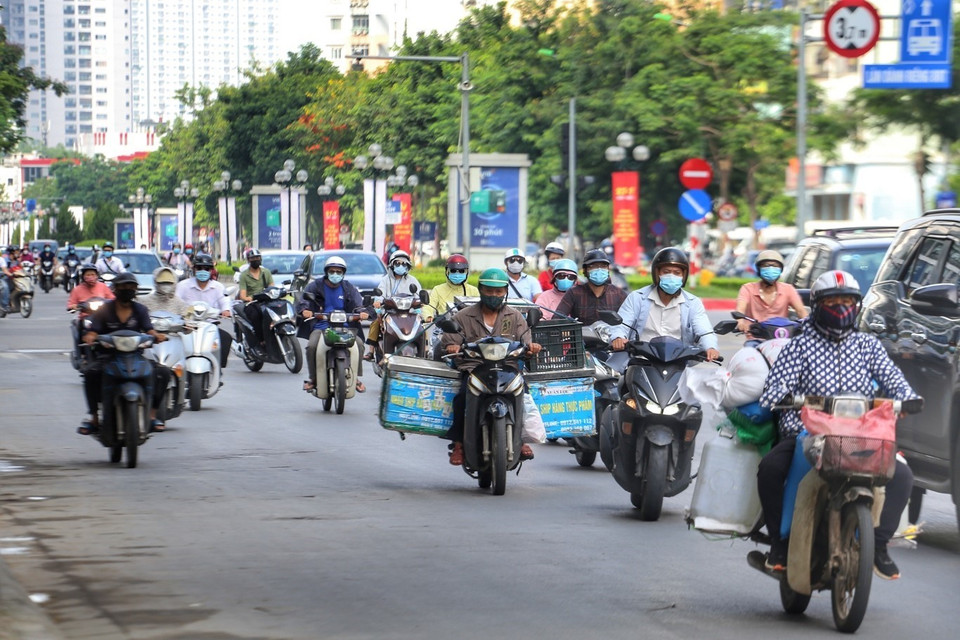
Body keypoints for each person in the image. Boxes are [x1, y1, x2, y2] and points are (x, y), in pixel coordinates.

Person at [757, 270, 918, 579]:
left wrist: (908, 399)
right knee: (770, 469)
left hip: (861, 436)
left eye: (847, 301)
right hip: (807, 434)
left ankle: (879, 545)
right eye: (833, 301)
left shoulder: (868, 346)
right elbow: (773, 392)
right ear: (817, 305)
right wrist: (793, 399)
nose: (841, 307)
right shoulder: (799, 347)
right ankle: (778, 544)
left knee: (903, 476)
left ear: (856, 306)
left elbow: (896, 382)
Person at [440, 268, 542, 465]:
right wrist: (452, 345)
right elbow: (448, 341)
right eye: (489, 290)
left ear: (505, 292)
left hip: (508, 369)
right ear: (480, 290)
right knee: (462, 397)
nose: (494, 295)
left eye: (498, 291)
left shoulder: (515, 317)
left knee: (524, 395)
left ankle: (520, 440)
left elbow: (526, 341)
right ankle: (459, 444)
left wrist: (531, 348)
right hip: (474, 369)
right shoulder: (463, 316)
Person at [79, 272, 171, 434]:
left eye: (131, 286)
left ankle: (152, 415)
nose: (127, 289)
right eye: (123, 286)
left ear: (136, 290)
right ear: (115, 289)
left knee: (163, 372)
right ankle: (94, 417)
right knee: (90, 374)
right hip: (109, 357)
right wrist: (91, 337)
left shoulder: (141, 310)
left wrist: (156, 336)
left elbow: (149, 330)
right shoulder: (105, 309)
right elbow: (93, 330)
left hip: (135, 356)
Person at [609, 247, 720, 361]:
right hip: (641, 361)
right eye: (666, 272)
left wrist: (710, 347)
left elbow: (704, 330)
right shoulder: (637, 298)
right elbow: (621, 324)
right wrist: (618, 337)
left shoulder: (693, 303)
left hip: (677, 363)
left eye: (677, 273)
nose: (672, 276)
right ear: (657, 274)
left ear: (683, 276)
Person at [297, 256, 369, 393]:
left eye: (338, 272)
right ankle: (314, 378)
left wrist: (362, 312)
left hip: (345, 327)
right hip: (321, 326)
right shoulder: (315, 286)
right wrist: (305, 310)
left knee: (359, 344)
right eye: (332, 271)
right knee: (311, 346)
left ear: (343, 273)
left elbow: (358, 303)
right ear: (326, 272)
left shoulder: (348, 287)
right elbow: (304, 301)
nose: (335, 274)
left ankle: (356, 378)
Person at [735, 250, 807, 341]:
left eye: (775, 266)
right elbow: (740, 309)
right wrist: (741, 322)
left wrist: (808, 324)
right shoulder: (747, 289)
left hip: (782, 338)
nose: (771, 269)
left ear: (781, 270)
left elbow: (801, 311)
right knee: (747, 352)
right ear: (758, 269)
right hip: (756, 339)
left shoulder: (788, 289)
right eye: (766, 265)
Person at [176, 253, 232, 368]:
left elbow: (225, 301)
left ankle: (217, 369)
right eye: (199, 268)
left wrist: (226, 310)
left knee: (226, 338)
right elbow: (175, 302)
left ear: (211, 270)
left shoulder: (218, 287)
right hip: (187, 326)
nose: (203, 271)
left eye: (206, 269)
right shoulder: (183, 286)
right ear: (194, 269)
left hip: (210, 326)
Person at [365, 249, 422, 360]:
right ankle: (371, 351)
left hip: (409, 312)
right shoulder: (385, 280)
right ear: (392, 265)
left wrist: (421, 304)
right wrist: (378, 301)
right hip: (389, 312)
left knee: (422, 326)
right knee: (376, 323)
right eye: (398, 263)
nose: (401, 266)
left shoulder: (412, 280)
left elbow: (418, 295)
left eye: (404, 263)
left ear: (408, 266)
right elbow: (380, 294)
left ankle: (425, 350)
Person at [555, 249, 628, 326]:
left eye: (603, 266)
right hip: (583, 337)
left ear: (608, 269)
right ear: (585, 270)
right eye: (594, 266)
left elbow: (629, 321)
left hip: (612, 337)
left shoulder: (619, 294)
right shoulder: (574, 293)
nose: (599, 270)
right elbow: (557, 318)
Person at [238, 248, 273, 347]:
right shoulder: (244, 275)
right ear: (248, 260)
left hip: (265, 300)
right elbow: (243, 295)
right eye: (253, 258)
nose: (255, 260)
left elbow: (272, 287)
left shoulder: (266, 272)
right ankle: (261, 340)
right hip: (251, 303)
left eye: (257, 258)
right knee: (256, 316)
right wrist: (249, 298)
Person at [426, 254, 479, 321]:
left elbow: (480, 310)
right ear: (447, 272)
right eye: (453, 271)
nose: (457, 274)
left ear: (466, 272)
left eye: (461, 271)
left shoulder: (474, 291)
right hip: (444, 327)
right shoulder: (438, 290)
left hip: (468, 327)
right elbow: (428, 306)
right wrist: (428, 316)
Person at [0, 246, 15, 315]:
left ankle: (4, 305)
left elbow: (5, 270)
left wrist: (11, 274)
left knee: (5, 286)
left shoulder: (1, 260)